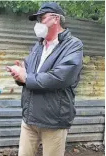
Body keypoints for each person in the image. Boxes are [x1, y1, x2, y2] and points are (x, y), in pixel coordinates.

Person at [7, 2, 83, 156]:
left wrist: (26, 77)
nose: (38, 24)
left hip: (53, 120)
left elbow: (60, 77)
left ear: (56, 19)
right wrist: (19, 74)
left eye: (41, 18)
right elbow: (28, 74)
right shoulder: (38, 46)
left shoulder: (73, 45)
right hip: (29, 118)